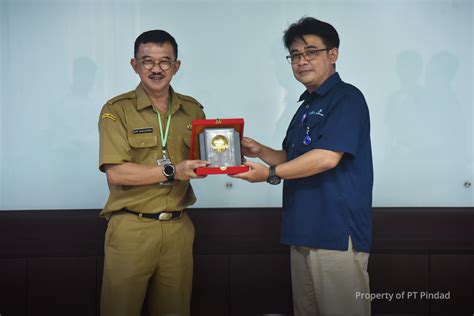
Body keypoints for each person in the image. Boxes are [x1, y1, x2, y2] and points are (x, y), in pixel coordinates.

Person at [233, 17, 373, 316]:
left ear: (332, 54)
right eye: (295, 55)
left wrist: (269, 174)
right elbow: (292, 158)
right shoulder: (306, 105)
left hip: (335, 233)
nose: (301, 61)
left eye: (311, 52)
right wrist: (261, 152)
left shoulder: (347, 98)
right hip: (302, 230)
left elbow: (326, 158)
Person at [98, 30, 208, 316]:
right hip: (131, 229)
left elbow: (204, 160)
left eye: (165, 61)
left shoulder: (193, 110)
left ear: (176, 66)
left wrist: (232, 153)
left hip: (178, 229)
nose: (156, 69)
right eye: (147, 61)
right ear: (135, 65)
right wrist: (173, 170)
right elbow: (117, 173)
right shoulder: (116, 110)